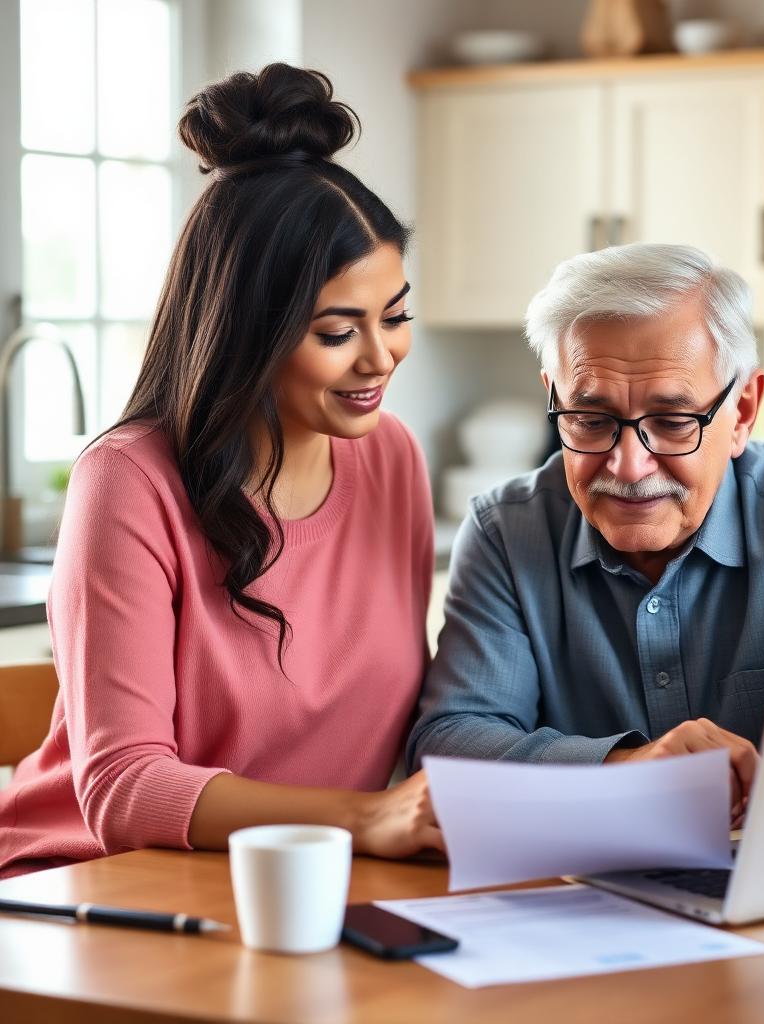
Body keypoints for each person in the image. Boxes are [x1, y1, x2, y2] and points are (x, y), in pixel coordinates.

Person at [0, 64, 441, 879]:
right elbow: (124, 788)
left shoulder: (393, 458)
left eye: (396, 315)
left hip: (295, 880)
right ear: (247, 330)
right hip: (88, 881)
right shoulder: (129, 481)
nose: (381, 358)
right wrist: (364, 818)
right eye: (338, 331)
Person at [408, 243, 764, 818]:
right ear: (555, 398)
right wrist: (630, 770)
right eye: (591, 421)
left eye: (671, 422)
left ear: (742, 412)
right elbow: (449, 747)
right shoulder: (506, 533)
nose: (628, 466)